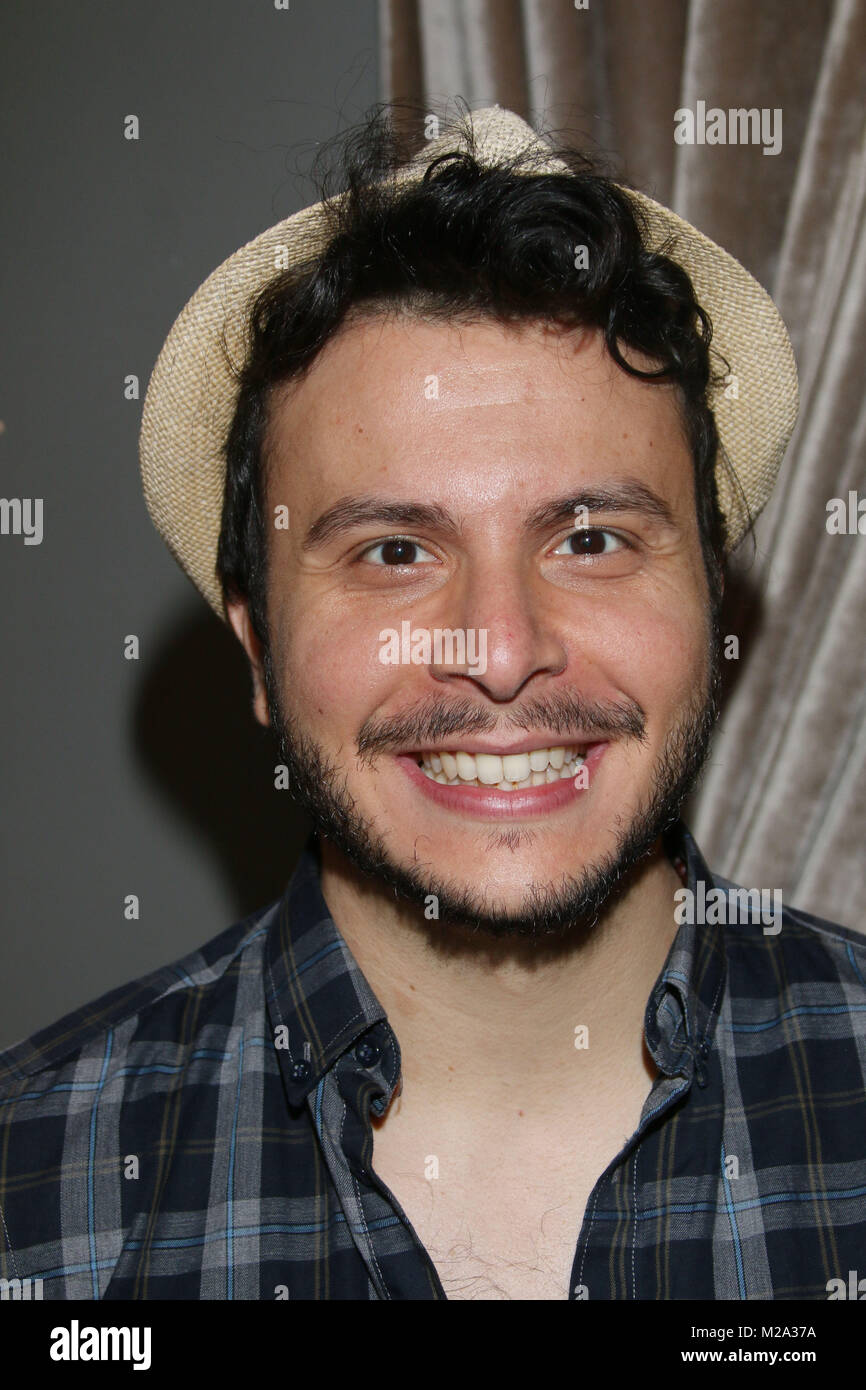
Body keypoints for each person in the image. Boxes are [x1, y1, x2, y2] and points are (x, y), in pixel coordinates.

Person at [1, 104, 864, 1302]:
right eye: (393, 552)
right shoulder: (32, 1203)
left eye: (593, 536)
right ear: (255, 649)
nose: (500, 652)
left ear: (712, 613)